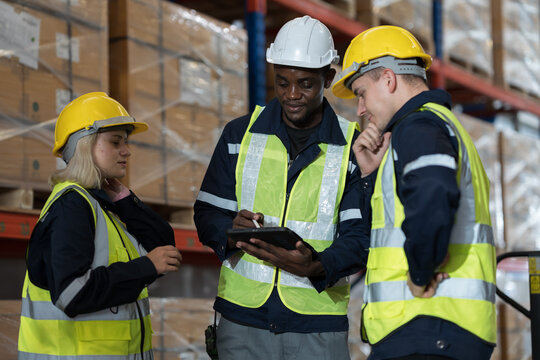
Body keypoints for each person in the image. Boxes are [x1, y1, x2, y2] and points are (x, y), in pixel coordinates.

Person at [194, 15, 370, 360]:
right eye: (283, 82)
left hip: (316, 324)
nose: (292, 95)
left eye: (305, 84)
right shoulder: (238, 135)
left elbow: (361, 235)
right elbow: (207, 212)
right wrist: (229, 230)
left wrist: (317, 265)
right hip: (241, 320)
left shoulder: (353, 148)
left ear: (328, 78)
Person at [332, 25, 497, 359]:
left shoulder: (419, 126)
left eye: (362, 93)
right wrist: (368, 175)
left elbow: (433, 195)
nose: (360, 109)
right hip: (437, 331)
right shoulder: (437, 126)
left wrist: (421, 272)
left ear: (389, 80)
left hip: (427, 324)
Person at [18, 92, 183, 359]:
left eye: (126, 142)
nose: (126, 151)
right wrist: (146, 267)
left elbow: (163, 248)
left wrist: (125, 200)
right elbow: (72, 294)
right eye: (115, 142)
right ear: (85, 145)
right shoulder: (71, 206)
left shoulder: (103, 205)